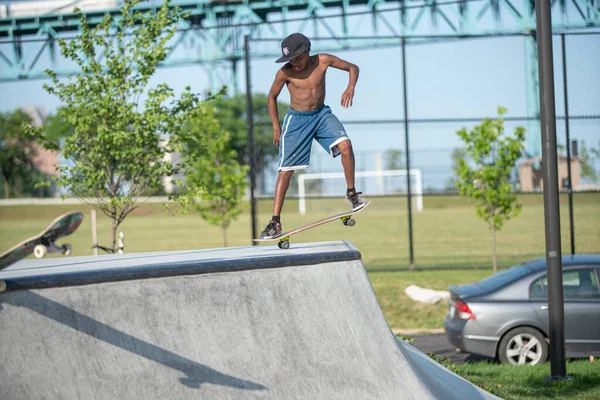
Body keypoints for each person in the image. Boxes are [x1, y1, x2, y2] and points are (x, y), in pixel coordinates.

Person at [259, 32, 365, 239]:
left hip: (322, 115)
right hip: (297, 121)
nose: (295, 64)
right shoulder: (284, 73)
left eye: (298, 58)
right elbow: (271, 97)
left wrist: (350, 87)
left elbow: (353, 67)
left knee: (346, 146)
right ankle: (275, 222)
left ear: (308, 51)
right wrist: (276, 127)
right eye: (291, 60)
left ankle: (352, 193)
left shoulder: (323, 61)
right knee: (286, 170)